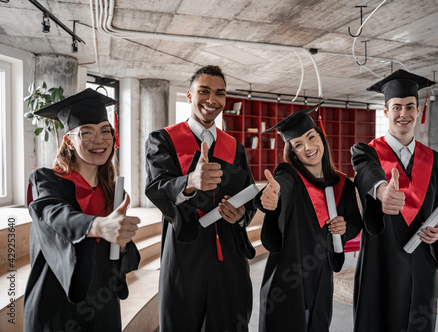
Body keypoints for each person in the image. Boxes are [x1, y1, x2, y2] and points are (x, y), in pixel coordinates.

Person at [145, 65, 257, 332]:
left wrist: (241, 215)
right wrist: (189, 183)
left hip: (228, 251)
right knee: (181, 320)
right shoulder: (164, 140)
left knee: (230, 319)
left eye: (220, 93)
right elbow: (157, 187)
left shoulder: (235, 147)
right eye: (203, 91)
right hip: (186, 249)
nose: (212, 100)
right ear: (189, 95)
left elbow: (249, 196)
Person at [24, 88, 141, 331]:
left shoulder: (114, 193)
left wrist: (122, 244)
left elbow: (123, 263)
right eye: (86, 132)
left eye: (105, 131)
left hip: (103, 309)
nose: (99, 140)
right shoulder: (47, 181)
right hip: (56, 307)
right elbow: (52, 212)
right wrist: (99, 226)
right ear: (68, 140)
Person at [351, 69, 438, 332]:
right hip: (381, 258)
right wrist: (382, 190)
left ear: (418, 111)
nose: (403, 114)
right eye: (396, 107)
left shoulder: (436, 162)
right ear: (386, 111)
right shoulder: (368, 153)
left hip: (421, 260)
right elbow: (367, 174)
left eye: (410, 106)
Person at [255, 105, 363, 331]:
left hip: (321, 280)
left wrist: (344, 228)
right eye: (298, 144)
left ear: (321, 137)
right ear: (292, 152)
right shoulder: (290, 176)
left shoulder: (343, 184)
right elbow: (280, 185)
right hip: (287, 281)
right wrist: (271, 197)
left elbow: (354, 223)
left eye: (311, 137)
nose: (308, 147)